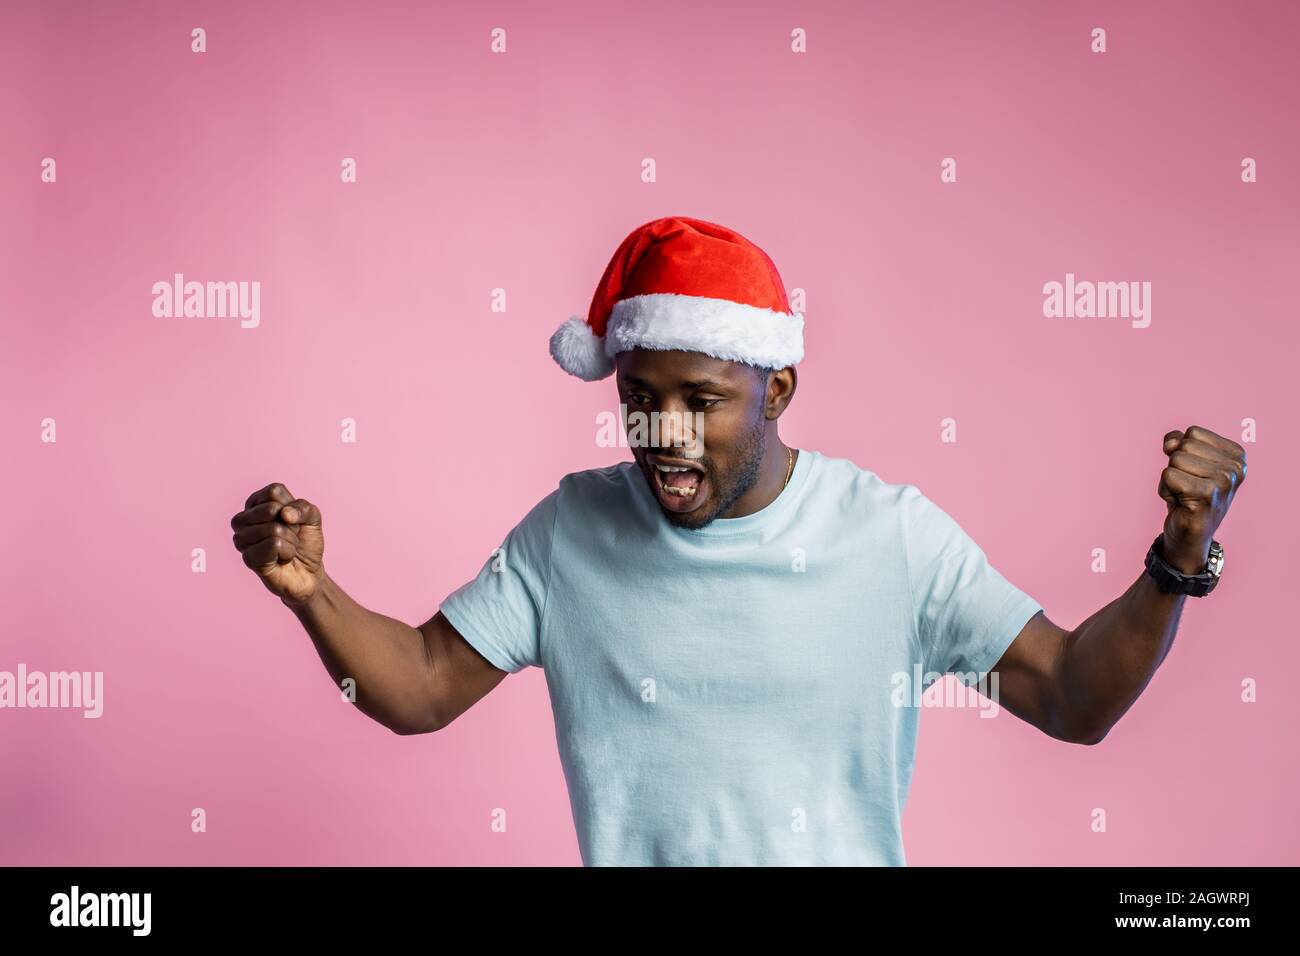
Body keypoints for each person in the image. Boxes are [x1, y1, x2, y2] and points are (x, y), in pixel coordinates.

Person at [230, 216, 1247, 866]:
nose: (662, 432)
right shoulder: (570, 530)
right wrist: (310, 590)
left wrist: (1178, 556)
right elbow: (417, 685)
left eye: (701, 401)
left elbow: (1072, 696)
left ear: (778, 390)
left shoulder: (888, 537)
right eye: (638, 399)